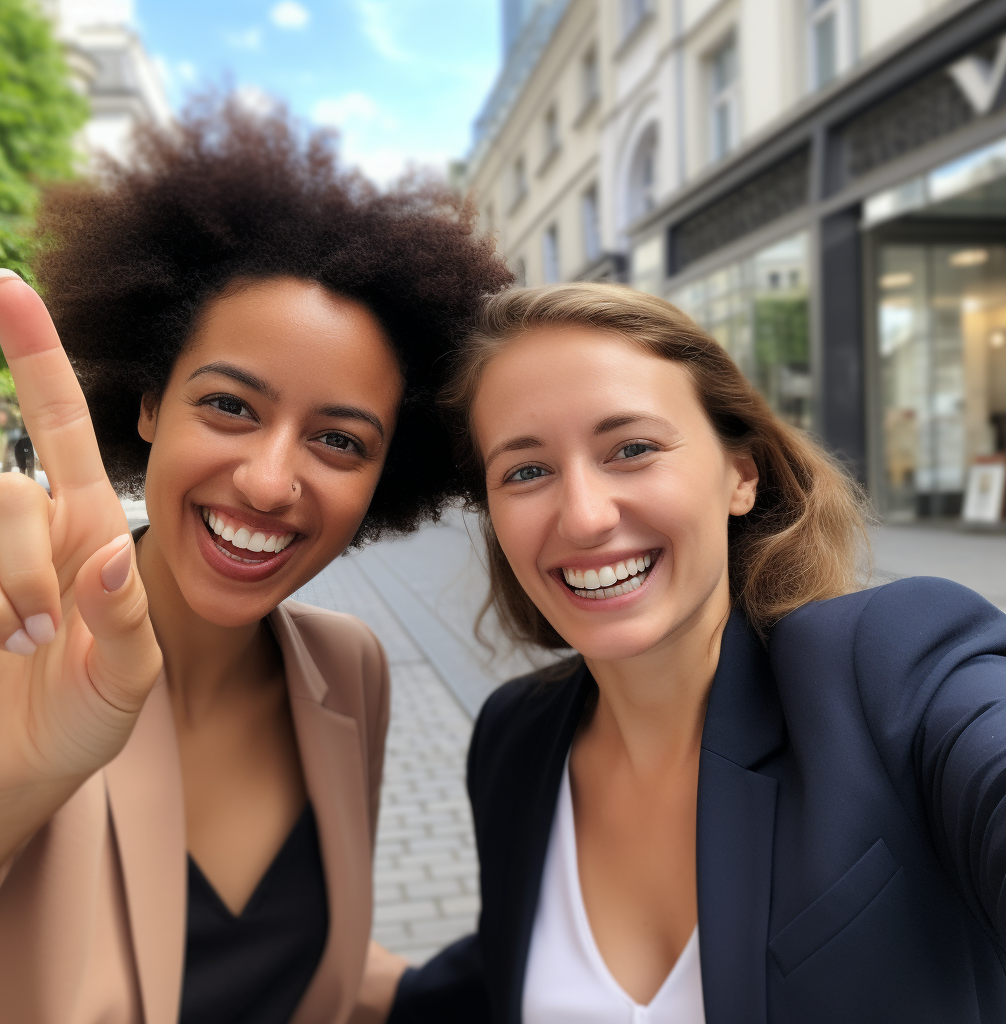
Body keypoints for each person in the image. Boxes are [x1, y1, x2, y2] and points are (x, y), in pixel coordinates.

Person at [0, 100, 510, 1024]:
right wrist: (16, 775)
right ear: (148, 404)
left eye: (341, 443)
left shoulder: (351, 672)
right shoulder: (9, 654)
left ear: (389, 477)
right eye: (230, 406)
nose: (270, 484)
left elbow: (315, 969)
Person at [376, 282, 1006, 1024]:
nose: (583, 517)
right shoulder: (514, 736)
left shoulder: (888, 664)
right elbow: (514, 965)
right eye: (526, 471)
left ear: (741, 474)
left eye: (633, 449)